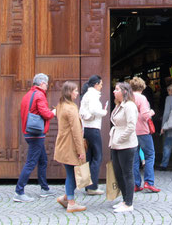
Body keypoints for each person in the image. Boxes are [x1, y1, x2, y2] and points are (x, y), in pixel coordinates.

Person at [14, 73, 56, 202]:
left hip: (29, 132)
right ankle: (19, 192)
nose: (47, 86)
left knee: (43, 160)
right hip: (36, 134)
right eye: (47, 84)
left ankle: (44, 188)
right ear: (42, 83)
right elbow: (45, 114)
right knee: (31, 162)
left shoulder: (28, 95)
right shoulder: (39, 95)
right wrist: (53, 112)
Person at [54, 81, 87, 213]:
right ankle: (71, 202)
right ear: (69, 92)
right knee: (72, 174)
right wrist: (81, 151)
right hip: (70, 146)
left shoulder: (61, 105)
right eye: (75, 91)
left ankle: (66, 197)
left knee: (70, 173)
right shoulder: (71, 108)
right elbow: (76, 132)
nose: (77, 93)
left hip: (63, 144)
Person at [109, 82, 138, 213]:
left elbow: (131, 126)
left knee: (127, 173)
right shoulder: (119, 105)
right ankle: (125, 199)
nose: (114, 92)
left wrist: (120, 139)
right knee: (118, 173)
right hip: (116, 143)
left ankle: (129, 203)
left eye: (117, 89)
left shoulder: (129, 106)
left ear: (124, 92)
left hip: (126, 144)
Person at [130, 76, 160, 193]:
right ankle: (148, 182)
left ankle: (136, 184)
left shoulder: (128, 98)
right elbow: (145, 115)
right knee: (150, 155)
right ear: (142, 87)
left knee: (135, 158)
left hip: (132, 131)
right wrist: (152, 111)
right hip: (143, 130)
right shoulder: (142, 98)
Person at [79, 75, 108, 195]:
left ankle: (88, 185)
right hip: (93, 128)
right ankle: (93, 186)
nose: (101, 86)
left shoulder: (87, 94)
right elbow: (94, 110)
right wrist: (104, 112)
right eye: (101, 84)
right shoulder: (93, 95)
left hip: (87, 128)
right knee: (97, 157)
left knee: (90, 157)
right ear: (96, 84)